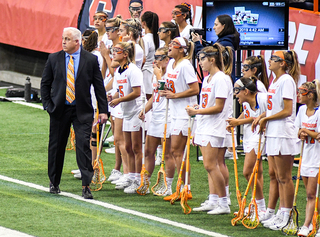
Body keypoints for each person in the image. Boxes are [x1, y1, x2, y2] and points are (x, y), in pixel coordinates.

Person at [41, 27, 108, 199]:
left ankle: (86, 185)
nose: (63, 42)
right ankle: (54, 182)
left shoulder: (90, 60)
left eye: (67, 39)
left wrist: (103, 111)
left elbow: (99, 86)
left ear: (77, 42)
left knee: (83, 147)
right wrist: (48, 105)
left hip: (82, 110)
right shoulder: (54, 58)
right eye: (63, 38)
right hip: (59, 110)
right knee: (56, 147)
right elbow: (45, 84)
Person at [253, 50, 301, 230]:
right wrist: (262, 116)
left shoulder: (286, 80)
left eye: (274, 59)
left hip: (283, 133)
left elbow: (288, 110)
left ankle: (287, 214)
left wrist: (266, 118)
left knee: (284, 177)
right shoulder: (275, 81)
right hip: (273, 132)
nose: (269, 61)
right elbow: (275, 108)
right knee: (277, 176)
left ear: (282, 63)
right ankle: (281, 213)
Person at [187, 44, 230, 215]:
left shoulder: (221, 78)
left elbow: (219, 107)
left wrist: (196, 111)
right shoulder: (207, 79)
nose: (200, 63)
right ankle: (214, 199)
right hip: (205, 124)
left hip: (215, 125)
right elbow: (209, 103)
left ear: (212, 60)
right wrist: (199, 108)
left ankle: (224, 202)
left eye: (202, 59)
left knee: (211, 165)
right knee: (211, 165)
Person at [161, 36, 199, 201]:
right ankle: (181, 186)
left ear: (182, 49)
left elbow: (195, 88)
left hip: (185, 112)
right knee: (174, 151)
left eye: (174, 45)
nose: (170, 46)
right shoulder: (171, 64)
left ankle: (185, 188)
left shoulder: (185, 65)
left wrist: (175, 95)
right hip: (174, 111)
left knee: (178, 151)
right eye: (170, 44)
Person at [227, 77, 268, 216]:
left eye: (237, 91)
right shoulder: (245, 102)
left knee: (247, 171)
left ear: (246, 91)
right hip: (250, 135)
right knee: (257, 172)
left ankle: (261, 206)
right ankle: (256, 204)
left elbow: (273, 110)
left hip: (260, 136)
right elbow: (248, 114)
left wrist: (238, 123)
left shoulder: (262, 98)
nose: (235, 94)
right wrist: (236, 121)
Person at [109, 42, 145, 194]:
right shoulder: (119, 71)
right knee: (128, 147)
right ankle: (130, 176)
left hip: (136, 112)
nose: (114, 53)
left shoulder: (133, 70)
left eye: (117, 51)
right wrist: (112, 96)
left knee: (136, 148)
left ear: (125, 54)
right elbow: (119, 90)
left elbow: (137, 92)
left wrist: (119, 100)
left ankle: (138, 180)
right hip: (126, 112)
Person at [138, 47, 174, 195]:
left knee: (167, 154)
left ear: (167, 59)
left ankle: (168, 185)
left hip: (169, 114)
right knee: (148, 151)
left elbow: (164, 90)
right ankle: (146, 182)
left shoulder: (170, 74)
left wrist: (159, 75)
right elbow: (155, 95)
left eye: (159, 58)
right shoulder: (156, 74)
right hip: (156, 114)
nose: (156, 61)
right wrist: (145, 109)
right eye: (155, 57)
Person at [295, 79, 320, 237]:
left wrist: (306, 130)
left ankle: (307, 225)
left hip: (317, 157)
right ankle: (313, 222)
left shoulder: (319, 113)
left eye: (301, 93)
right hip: (306, 156)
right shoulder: (301, 110)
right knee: (310, 194)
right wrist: (301, 132)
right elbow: (298, 130)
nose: (298, 95)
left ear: (310, 95)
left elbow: (318, 135)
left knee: (312, 194)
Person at [192, 14, 240, 82]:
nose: (214, 27)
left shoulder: (224, 44)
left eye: (216, 25)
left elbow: (206, 56)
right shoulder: (226, 41)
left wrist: (197, 42)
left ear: (223, 26)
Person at [141, 11, 159, 100]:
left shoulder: (145, 39)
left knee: (148, 100)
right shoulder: (158, 37)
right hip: (154, 72)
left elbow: (143, 59)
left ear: (143, 23)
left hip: (146, 73)